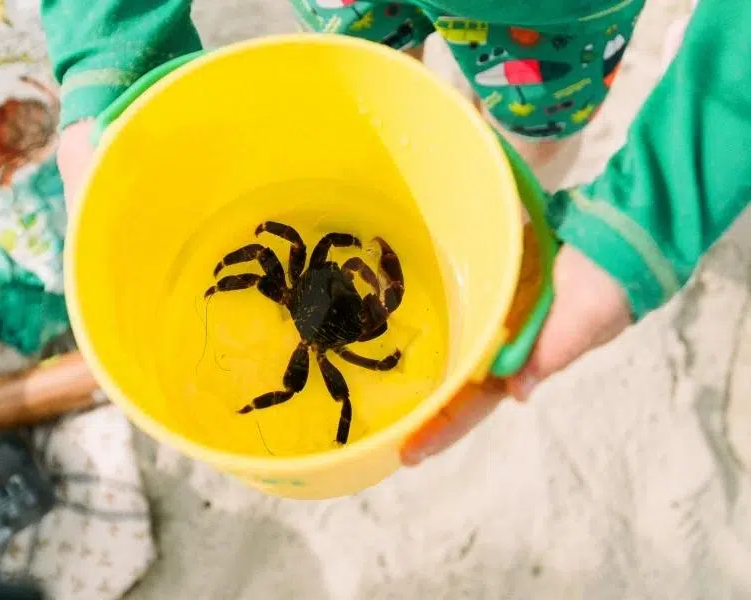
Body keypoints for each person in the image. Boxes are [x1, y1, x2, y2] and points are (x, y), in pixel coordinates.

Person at [41, 0, 751, 465]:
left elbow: (283, 261)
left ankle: (506, 152)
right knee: (376, 77)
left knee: (530, 131)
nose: (338, 271)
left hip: (557, 22)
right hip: (351, 9)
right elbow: (288, 269)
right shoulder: (329, 305)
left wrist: (659, 205)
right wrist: (112, 49)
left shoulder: (317, 292)